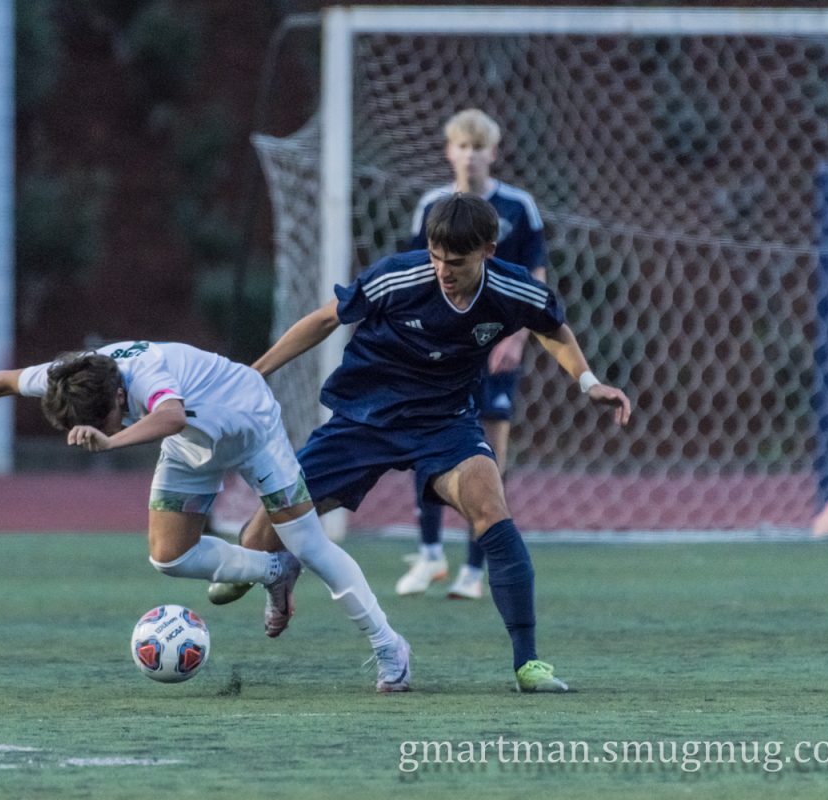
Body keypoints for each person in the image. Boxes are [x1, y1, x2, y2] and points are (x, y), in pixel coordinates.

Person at [220, 194, 630, 692]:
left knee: (490, 505)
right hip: (365, 417)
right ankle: (274, 570)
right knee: (254, 546)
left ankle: (528, 664)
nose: (442, 271)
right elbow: (327, 319)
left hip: (445, 422)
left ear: (488, 251)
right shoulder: (398, 276)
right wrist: (255, 373)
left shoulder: (513, 288)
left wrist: (588, 383)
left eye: (455, 262)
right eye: (435, 257)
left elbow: (553, 328)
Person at [0, 340, 411, 692]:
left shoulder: (145, 377)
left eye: (109, 418)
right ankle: (275, 571)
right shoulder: (74, 377)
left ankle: (390, 649)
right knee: (169, 556)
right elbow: (8, 381)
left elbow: (169, 415)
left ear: (120, 398)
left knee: (310, 543)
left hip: (250, 424)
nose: (106, 425)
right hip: (192, 444)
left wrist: (112, 440)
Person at [398, 108, 550, 601]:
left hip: (495, 350)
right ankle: (430, 554)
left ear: (493, 153)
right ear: (449, 152)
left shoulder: (518, 207)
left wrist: (516, 338)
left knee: (490, 457)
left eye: (478, 146)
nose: (470, 155)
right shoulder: (431, 206)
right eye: (462, 146)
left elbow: (537, 279)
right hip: (441, 352)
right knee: (426, 443)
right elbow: (416, 276)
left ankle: (473, 569)